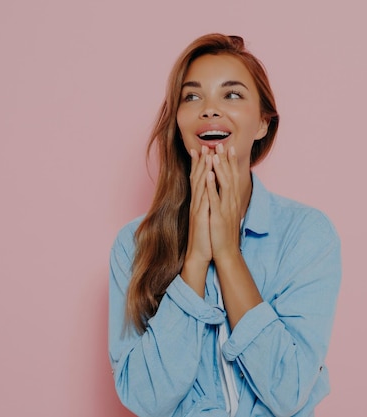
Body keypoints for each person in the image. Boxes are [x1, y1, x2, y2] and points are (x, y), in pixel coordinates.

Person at [108, 33, 342, 417]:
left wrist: (229, 254)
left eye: (231, 95)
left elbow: (290, 390)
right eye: (192, 96)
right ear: (178, 123)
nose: (210, 110)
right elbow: (145, 399)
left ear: (264, 123)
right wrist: (196, 260)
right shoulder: (134, 245)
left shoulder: (307, 235)